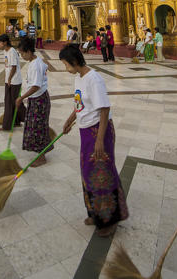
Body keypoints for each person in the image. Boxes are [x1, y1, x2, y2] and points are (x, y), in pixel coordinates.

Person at [59, 44, 129, 237]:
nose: (66, 68)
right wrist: (69, 120)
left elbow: (104, 109)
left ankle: (109, 219)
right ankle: (95, 212)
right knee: (88, 171)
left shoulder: (94, 79)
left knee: (102, 172)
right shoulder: (79, 78)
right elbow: (80, 104)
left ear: (74, 62)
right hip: (85, 131)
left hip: (100, 131)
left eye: (66, 64)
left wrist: (100, 140)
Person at [16, 36, 52, 167]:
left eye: (22, 53)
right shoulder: (34, 62)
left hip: (39, 100)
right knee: (35, 126)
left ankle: (41, 157)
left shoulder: (36, 65)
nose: (21, 56)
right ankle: (42, 150)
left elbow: (36, 85)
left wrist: (21, 97)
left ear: (29, 52)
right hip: (36, 98)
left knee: (37, 128)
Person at [0, 34, 26, 131]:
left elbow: (14, 67)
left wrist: (9, 79)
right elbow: (7, 66)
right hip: (9, 80)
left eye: (0, 42)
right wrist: (6, 78)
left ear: (5, 42)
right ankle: (15, 122)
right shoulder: (5, 51)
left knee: (14, 102)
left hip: (15, 81)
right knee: (10, 102)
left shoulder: (12, 51)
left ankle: (27, 118)